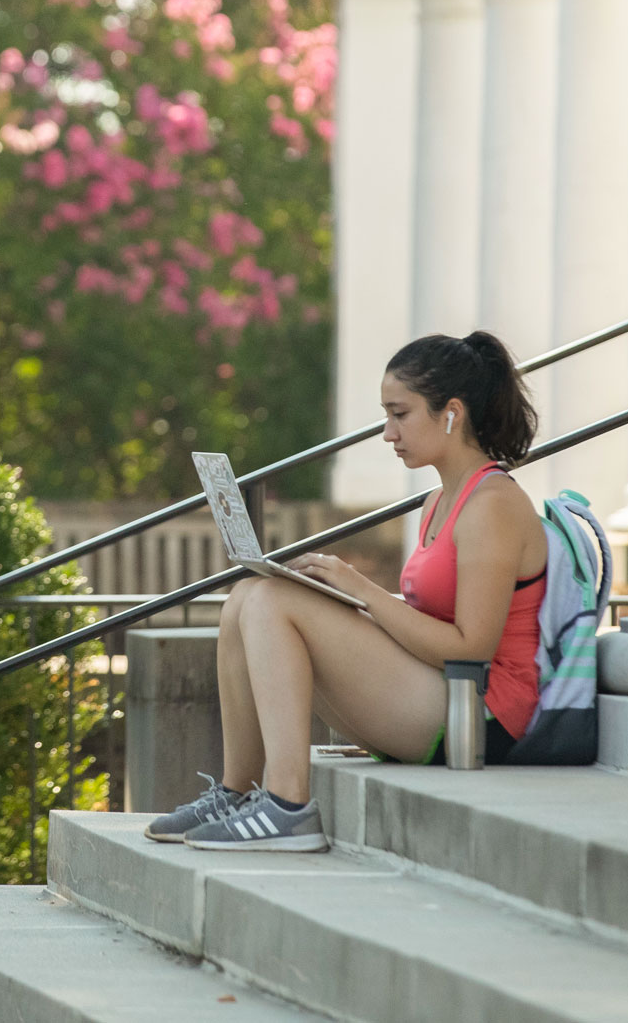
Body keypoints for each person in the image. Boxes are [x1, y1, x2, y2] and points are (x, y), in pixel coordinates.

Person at [146, 331, 548, 852]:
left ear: (451, 412)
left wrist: (361, 590)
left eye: (400, 415)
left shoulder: (493, 504)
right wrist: (348, 604)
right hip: (437, 689)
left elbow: (473, 647)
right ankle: (236, 791)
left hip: (481, 714)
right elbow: (432, 628)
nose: (388, 433)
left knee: (271, 601)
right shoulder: (438, 502)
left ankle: (289, 806)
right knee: (247, 596)